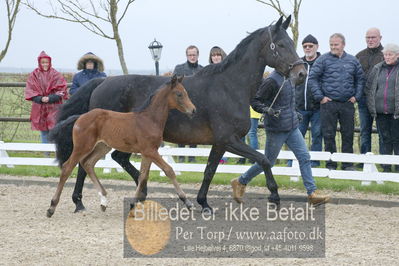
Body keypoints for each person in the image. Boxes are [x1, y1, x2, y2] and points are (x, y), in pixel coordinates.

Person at [230, 70, 330, 205]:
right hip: (276, 129)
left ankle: (312, 193)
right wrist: (267, 110)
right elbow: (255, 101)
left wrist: (294, 112)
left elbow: (288, 100)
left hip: (292, 126)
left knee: (304, 157)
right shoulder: (271, 81)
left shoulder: (290, 77)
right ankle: (241, 181)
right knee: (268, 162)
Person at [309, 33, 364, 170]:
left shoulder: (353, 60)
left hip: (347, 104)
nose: (333, 47)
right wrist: (320, 97)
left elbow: (360, 80)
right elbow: (312, 79)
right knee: (328, 134)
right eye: (331, 45)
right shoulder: (322, 60)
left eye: (336, 44)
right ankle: (331, 164)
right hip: (328, 103)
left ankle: (347, 164)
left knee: (348, 134)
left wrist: (356, 97)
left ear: (343, 45)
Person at [365, 43, 399, 172]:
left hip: (396, 112)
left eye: (390, 54)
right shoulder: (377, 69)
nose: (387, 57)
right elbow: (369, 88)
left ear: (397, 55)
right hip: (380, 111)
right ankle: (385, 166)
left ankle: (397, 166)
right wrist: (371, 106)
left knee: (397, 139)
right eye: (385, 54)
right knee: (384, 139)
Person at [25, 51, 68, 144]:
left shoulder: (56, 74)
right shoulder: (34, 75)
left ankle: (55, 151)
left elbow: (62, 90)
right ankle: (46, 153)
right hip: (39, 107)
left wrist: (51, 98)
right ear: (39, 63)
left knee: (54, 130)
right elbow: (30, 90)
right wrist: (40, 98)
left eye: (47, 62)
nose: (45, 64)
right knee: (43, 131)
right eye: (43, 62)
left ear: (50, 62)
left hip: (54, 106)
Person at [294, 34, 322, 167]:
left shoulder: (323, 62)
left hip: (318, 107)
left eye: (310, 46)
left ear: (317, 46)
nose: (308, 48)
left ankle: (315, 161)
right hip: (300, 107)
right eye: (305, 46)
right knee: (297, 136)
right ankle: (294, 161)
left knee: (317, 134)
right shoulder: (298, 63)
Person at [356, 28, 384, 159]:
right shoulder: (359, 56)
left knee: (383, 132)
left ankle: (385, 161)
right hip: (363, 100)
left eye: (373, 37)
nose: (370, 40)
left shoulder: (386, 55)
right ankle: (364, 160)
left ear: (380, 38)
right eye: (368, 37)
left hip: (380, 101)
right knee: (364, 131)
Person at [173, 45, 203, 163]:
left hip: (197, 104)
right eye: (190, 55)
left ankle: (192, 157)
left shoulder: (202, 69)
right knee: (181, 130)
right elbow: (174, 86)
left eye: (194, 55)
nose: (192, 57)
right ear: (187, 56)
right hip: (182, 105)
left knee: (195, 130)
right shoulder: (179, 69)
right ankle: (181, 156)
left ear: (197, 55)